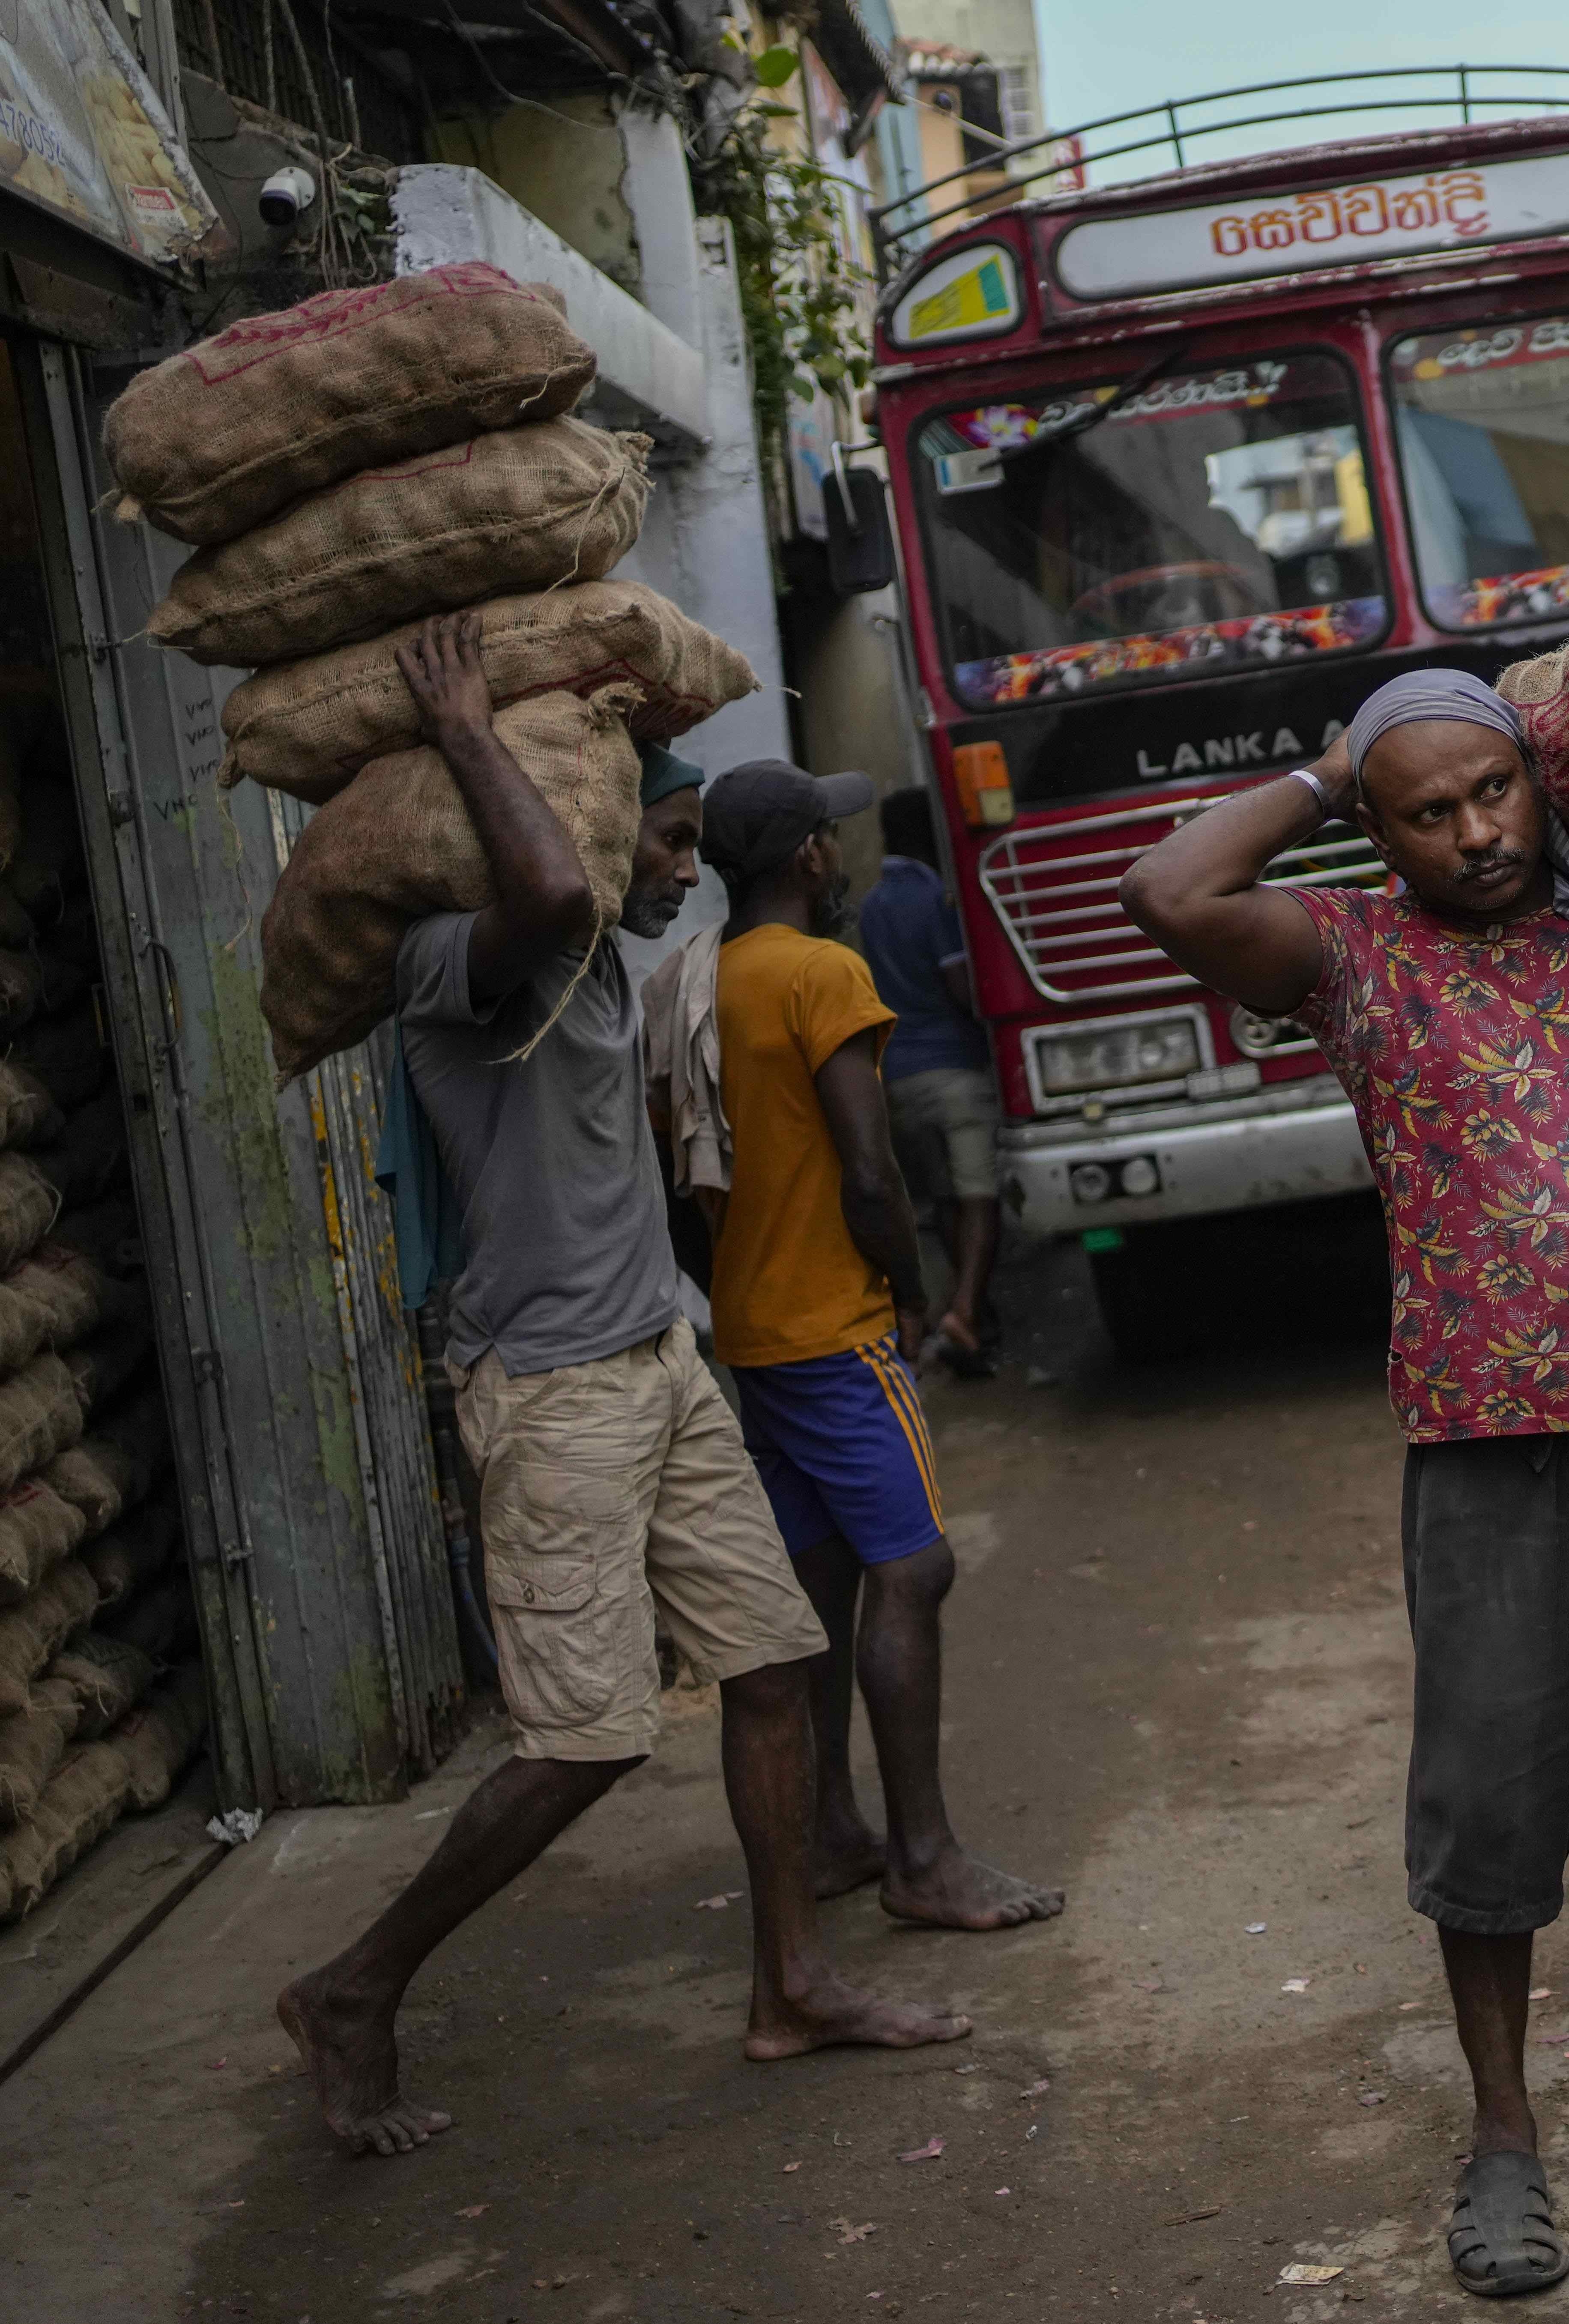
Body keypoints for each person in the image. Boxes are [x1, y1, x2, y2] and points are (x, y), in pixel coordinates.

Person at [1119, 672, 1569, 2301]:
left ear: (1541, 787)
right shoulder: (1358, 961)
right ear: (1379, 837)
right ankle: (1506, 2139)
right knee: (1491, 1799)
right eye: (1428, 810)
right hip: (1488, 1446)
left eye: (1493, 793)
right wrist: (1327, 764)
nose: (1474, 832)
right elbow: (1170, 890)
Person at [278, 618, 967, 2158]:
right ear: (587, 829)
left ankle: (792, 1982)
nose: (684, 866)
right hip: (551, 1391)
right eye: (663, 838)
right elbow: (539, 884)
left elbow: (575, 904)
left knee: (775, 1663)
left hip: (664, 1356)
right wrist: (466, 726)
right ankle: (354, 1983)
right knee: (584, 1739)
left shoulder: (600, 977)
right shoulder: (455, 961)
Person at [700, 760, 1061, 1933]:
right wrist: (909, 1296)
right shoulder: (819, 972)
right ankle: (923, 1856)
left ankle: (832, 1831)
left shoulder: (702, 983)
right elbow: (869, 1168)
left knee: (822, 1582)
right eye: (828, 836)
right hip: (834, 1327)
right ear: (806, 856)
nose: (837, 852)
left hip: (755, 1329)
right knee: (914, 1570)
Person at [858, 787, 1000, 1377]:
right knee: (981, 1198)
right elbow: (963, 989)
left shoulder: (871, 905)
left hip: (899, 1075)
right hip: (954, 1071)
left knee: (944, 1198)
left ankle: (971, 1307)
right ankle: (964, 1311)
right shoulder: (934, 899)